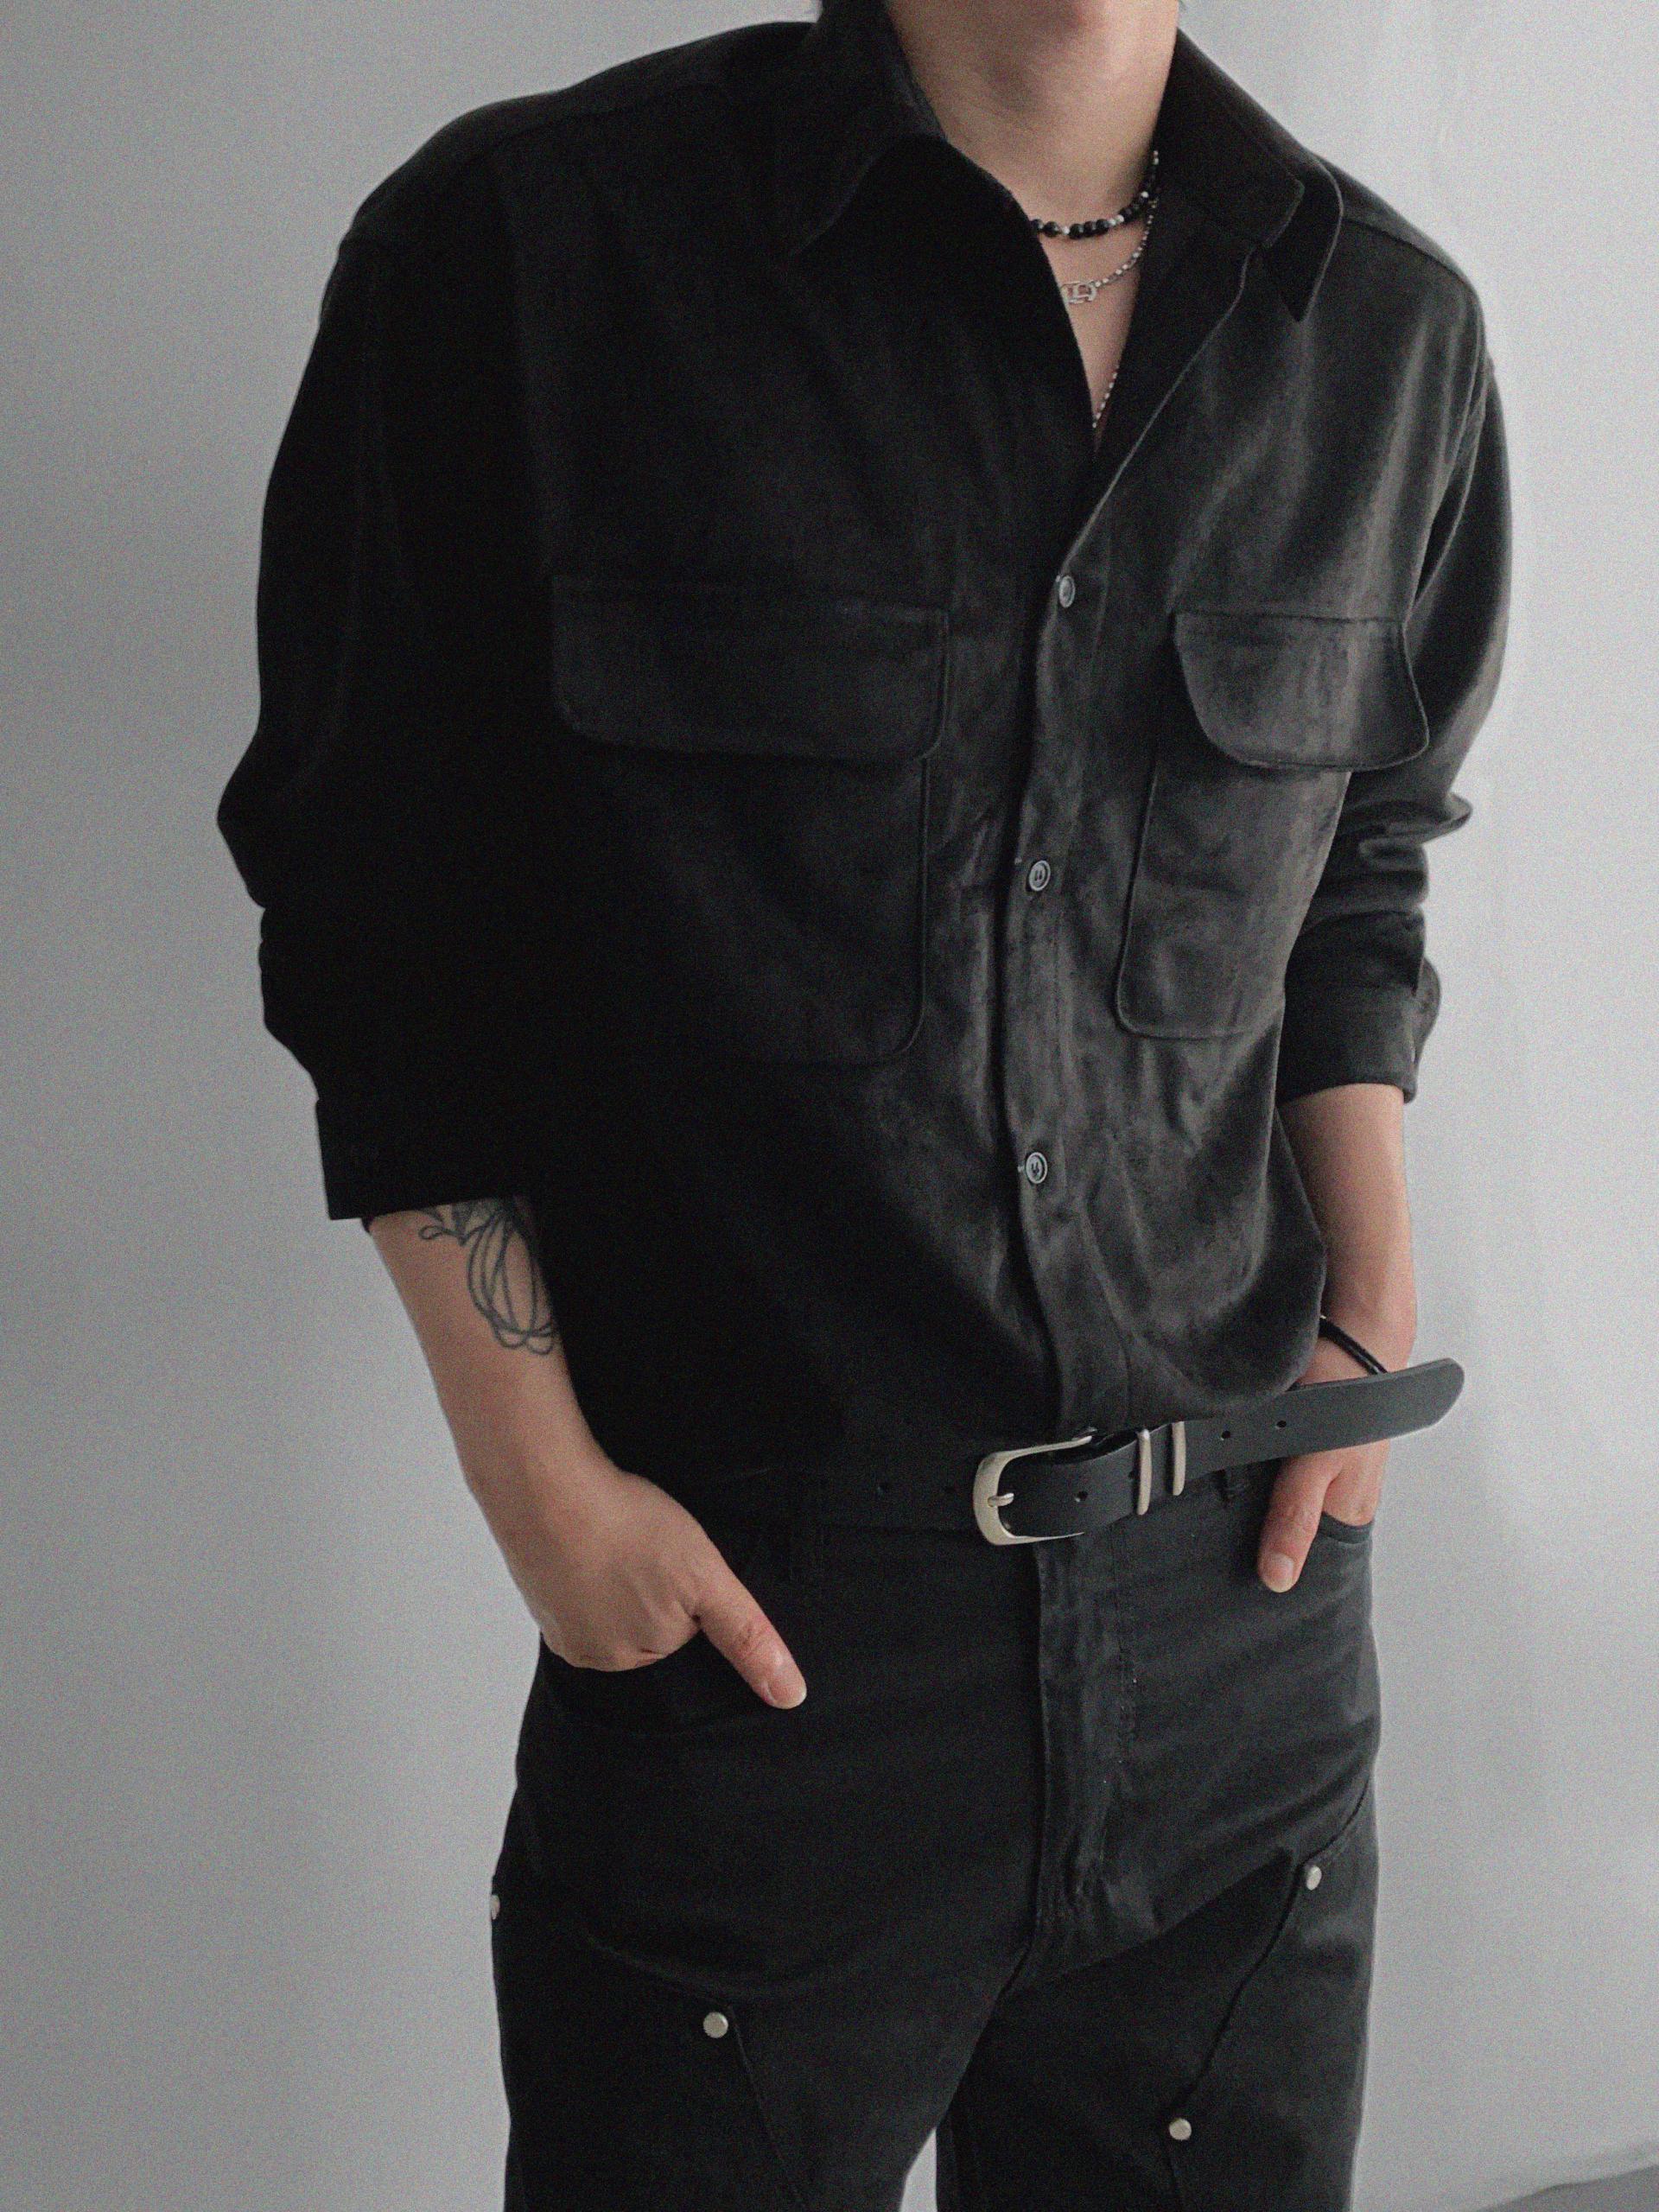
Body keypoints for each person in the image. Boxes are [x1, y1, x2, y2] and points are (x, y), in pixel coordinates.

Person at [215, 0, 1511, 2202]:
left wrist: (1366, 1316)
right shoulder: (527, 253)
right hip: (764, 1665)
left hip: (1242, 1648)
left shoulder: (1385, 332)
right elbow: (381, 914)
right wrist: (543, 1491)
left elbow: (1363, 866)